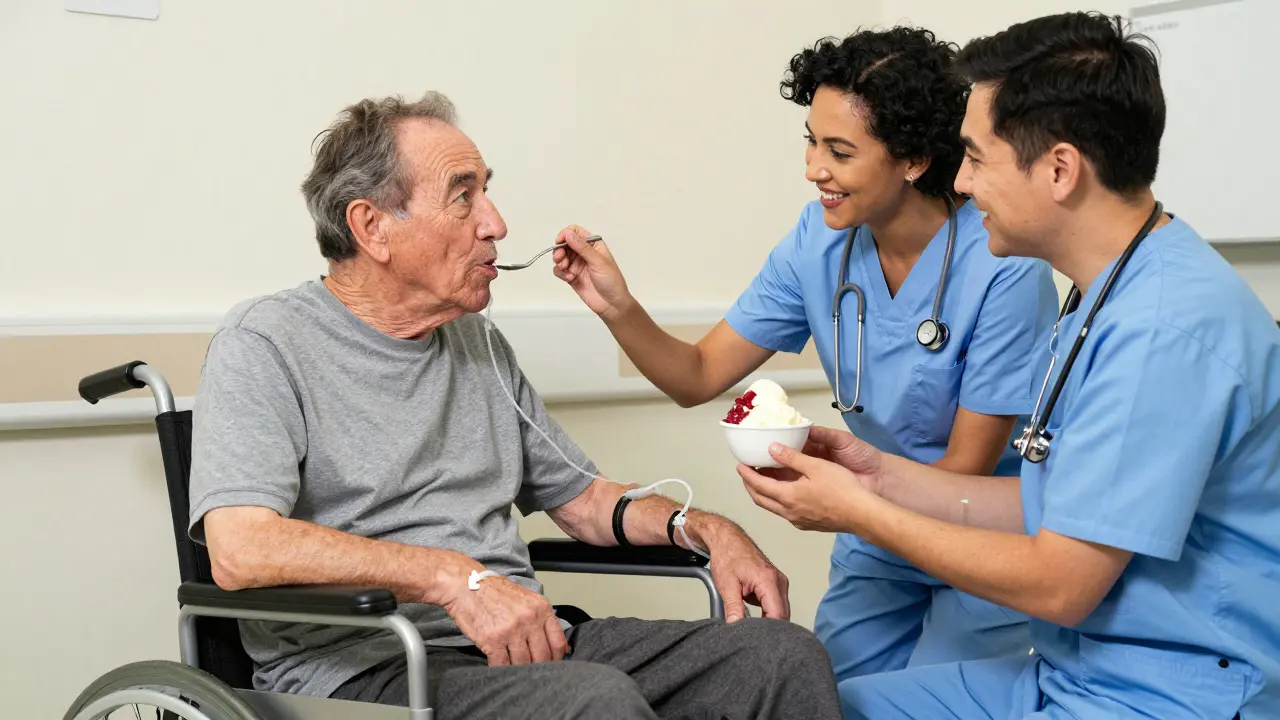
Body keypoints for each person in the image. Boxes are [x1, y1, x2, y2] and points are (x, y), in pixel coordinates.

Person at [186, 90, 843, 720]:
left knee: (779, 658)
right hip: (367, 671)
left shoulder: (476, 343)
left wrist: (704, 529)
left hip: (520, 648)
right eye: (463, 197)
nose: (495, 224)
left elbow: (584, 501)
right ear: (373, 227)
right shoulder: (266, 344)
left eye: (487, 192)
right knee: (590, 703)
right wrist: (454, 580)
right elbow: (241, 548)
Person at [737, 11, 1280, 719]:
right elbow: (1045, 505)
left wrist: (860, 513)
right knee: (812, 704)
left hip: (1167, 695)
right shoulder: (1105, 291)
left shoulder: (1161, 331)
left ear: (1060, 169)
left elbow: (1061, 583)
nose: (958, 180)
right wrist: (877, 475)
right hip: (1074, 673)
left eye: (976, 158)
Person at [551, 26, 1058, 680]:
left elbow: (964, 470)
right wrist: (617, 306)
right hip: (876, 538)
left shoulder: (1001, 263)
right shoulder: (817, 241)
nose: (814, 168)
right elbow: (696, 374)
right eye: (812, 142)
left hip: (979, 537)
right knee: (827, 696)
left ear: (911, 160)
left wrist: (844, 501)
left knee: (941, 700)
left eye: (840, 151)